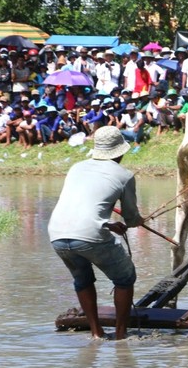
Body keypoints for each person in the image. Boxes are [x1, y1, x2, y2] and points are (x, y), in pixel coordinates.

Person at [48, 125, 143, 340]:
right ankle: (120, 335)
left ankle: (96, 333)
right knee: (125, 278)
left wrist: (108, 224)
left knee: (82, 280)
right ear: (120, 152)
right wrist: (138, 220)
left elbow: (80, 208)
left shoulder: (76, 167)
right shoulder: (124, 175)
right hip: (89, 235)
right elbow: (132, 218)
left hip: (58, 234)